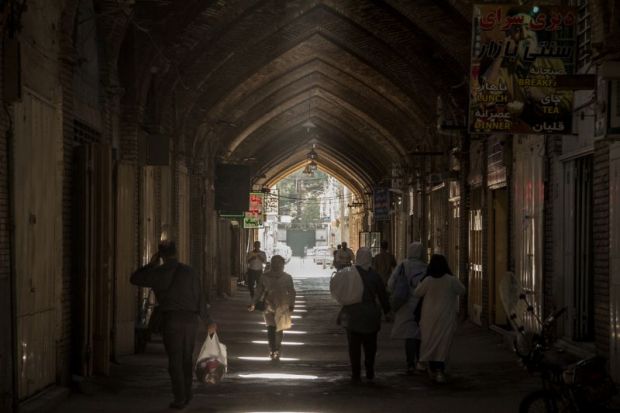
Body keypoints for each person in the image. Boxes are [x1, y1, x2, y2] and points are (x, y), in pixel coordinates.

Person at [131, 240, 216, 409]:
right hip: (190, 321)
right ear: (176, 253)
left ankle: (180, 397)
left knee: (175, 360)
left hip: (171, 320)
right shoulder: (189, 272)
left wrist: (151, 264)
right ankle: (187, 391)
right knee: (186, 358)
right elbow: (200, 298)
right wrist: (208, 321)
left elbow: (134, 279)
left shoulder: (158, 272)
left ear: (161, 254)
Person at [337, 247, 391, 382]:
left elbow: (341, 290)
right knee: (370, 345)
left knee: (354, 346)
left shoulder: (350, 274)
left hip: (353, 314)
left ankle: (356, 373)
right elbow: (383, 295)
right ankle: (369, 370)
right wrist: (387, 311)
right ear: (370, 258)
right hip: (370, 314)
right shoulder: (375, 276)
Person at [414, 254, 466, 384]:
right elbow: (462, 290)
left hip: (428, 317)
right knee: (442, 343)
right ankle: (439, 371)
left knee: (430, 340)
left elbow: (417, 293)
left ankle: (430, 366)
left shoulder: (428, 280)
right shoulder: (450, 280)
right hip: (445, 316)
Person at [387, 241, 427, 375]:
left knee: (409, 335)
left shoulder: (403, 265)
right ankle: (419, 360)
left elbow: (391, 283)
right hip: (422, 305)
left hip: (406, 304)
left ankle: (410, 363)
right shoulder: (425, 267)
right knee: (419, 334)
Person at [248, 255, 296, 360]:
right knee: (270, 328)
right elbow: (258, 291)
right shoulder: (264, 276)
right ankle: (272, 349)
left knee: (279, 329)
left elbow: (292, 292)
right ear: (271, 264)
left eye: (279, 263)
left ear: (283, 264)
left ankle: (277, 349)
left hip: (282, 306)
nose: (277, 265)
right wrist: (253, 303)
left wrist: (292, 304)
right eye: (274, 262)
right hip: (268, 306)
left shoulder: (287, 277)